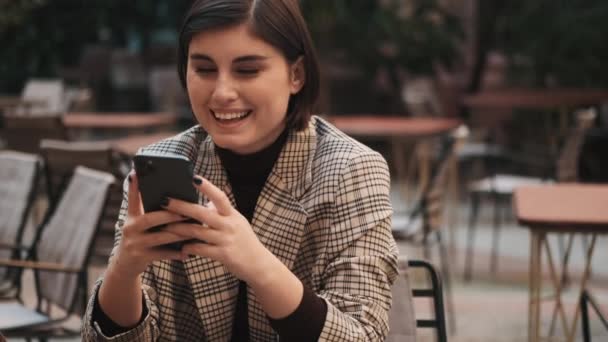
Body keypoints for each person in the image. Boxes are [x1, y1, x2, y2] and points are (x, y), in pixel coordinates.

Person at [82, 0, 399, 341]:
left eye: (247, 70)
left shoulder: (350, 170)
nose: (222, 93)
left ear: (296, 75)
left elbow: (363, 335)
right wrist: (124, 270)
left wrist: (259, 265)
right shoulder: (162, 163)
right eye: (204, 69)